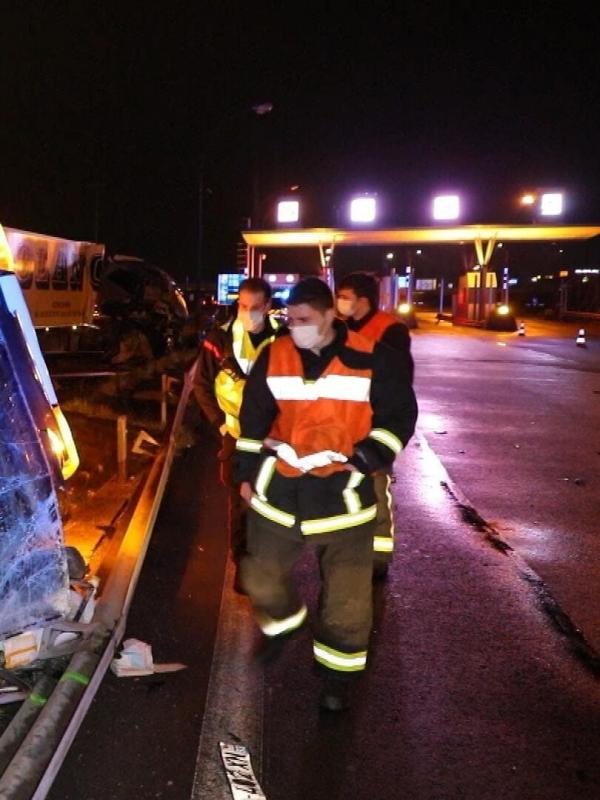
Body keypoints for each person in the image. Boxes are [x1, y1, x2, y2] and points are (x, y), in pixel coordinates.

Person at [234, 277, 417, 711]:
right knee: (258, 575)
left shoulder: (376, 359)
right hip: (281, 490)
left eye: (304, 320)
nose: (295, 327)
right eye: (290, 319)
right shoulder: (274, 355)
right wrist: (243, 471)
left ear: (331, 315)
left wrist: (368, 456)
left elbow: (399, 417)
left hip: (344, 497)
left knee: (347, 601)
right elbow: (253, 419)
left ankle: (337, 678)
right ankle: (285, 623)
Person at [193, 277, 280, 592]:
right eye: (243, 306)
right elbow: (201, 384)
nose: (249, 313)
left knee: (274, 503)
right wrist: (218, 422)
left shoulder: (283, 340)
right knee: (240, 503)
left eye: (256, 308)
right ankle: (244, 568)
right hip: (236, 435)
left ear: (268, 306)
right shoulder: (220, 339)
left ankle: (270, 564)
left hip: (275, 437)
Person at [336, 271, 414, 580]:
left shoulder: (390, 330)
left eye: (344, 297)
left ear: (363, 301)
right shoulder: (340, 328)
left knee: (377, 487)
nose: (339, 303)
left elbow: (398, 381)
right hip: (346, 419)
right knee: (347, 486)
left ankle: (378, 558)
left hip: (376, 420)